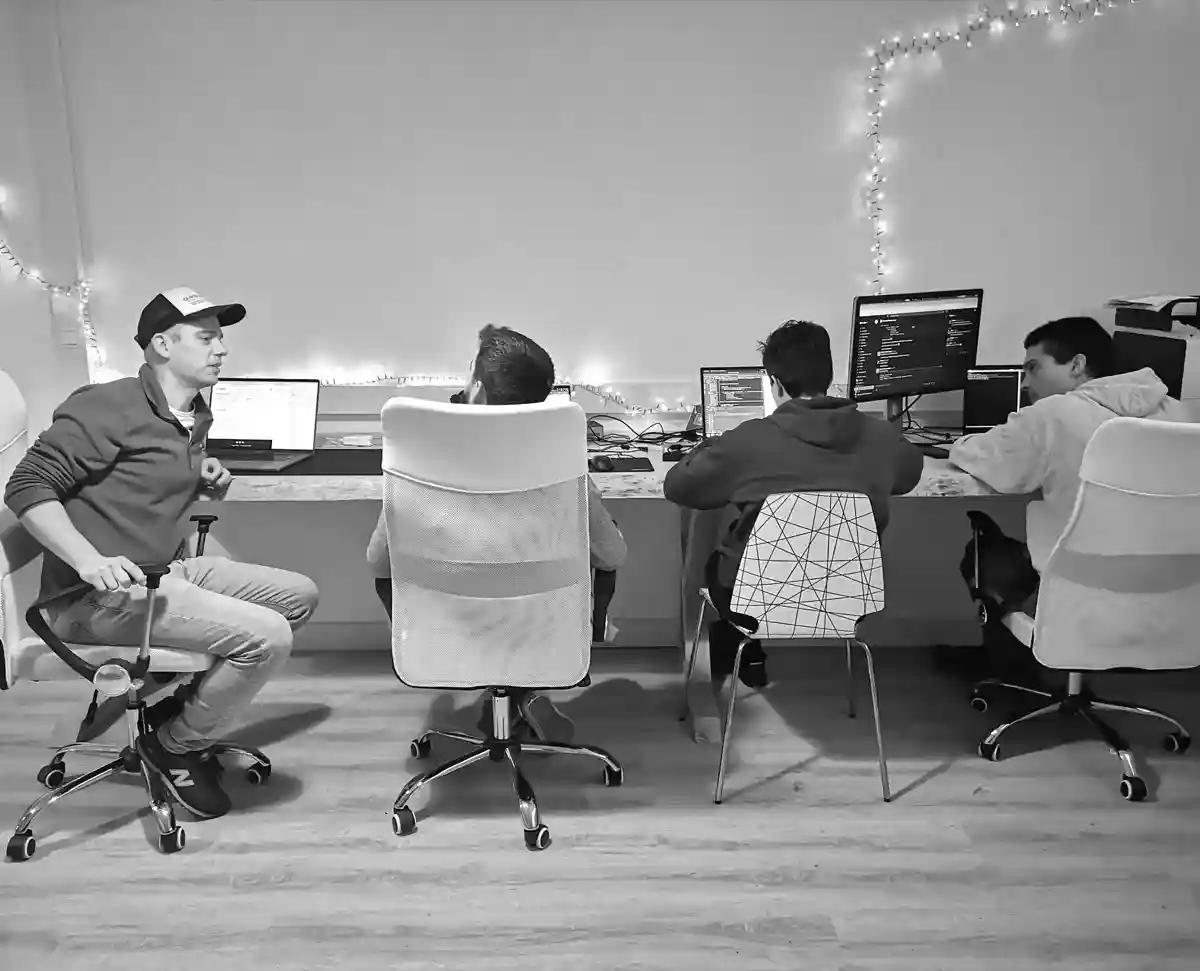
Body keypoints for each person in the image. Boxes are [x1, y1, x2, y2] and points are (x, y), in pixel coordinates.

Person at [4, 287, 319, 821]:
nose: (221, 349)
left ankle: (177, 710)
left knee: (299, 597)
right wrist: (87, 559)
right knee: (268, 636)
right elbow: (27, 484)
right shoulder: (106, 405)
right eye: (206, 338)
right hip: (93, 596)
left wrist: (202, 473)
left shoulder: (191, 413)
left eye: (221, 338)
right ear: (162, 345)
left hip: (165, 570)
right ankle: (175, 746)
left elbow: (140, 473)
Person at [366, 323, 626, 743]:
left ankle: (499, 691)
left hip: (450, 627)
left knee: (411, 579)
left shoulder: (425, 457)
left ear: (478, 392)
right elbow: (613, 555)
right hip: (538, 623)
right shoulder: (560, 464)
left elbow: (378, 561)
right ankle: (523, 692)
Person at [663, 319, 924, 685]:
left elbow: (678, 487)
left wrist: (710, 447)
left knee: (711, 539)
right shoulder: (881, 437)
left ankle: (721, 654)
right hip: (850, 596)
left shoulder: (748, 441)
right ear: (828, 375)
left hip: (754, 598)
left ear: (775, 383)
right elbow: (909, 475)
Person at [949, 316, 1191, 639]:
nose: (1024, 383)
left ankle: (1011, 661)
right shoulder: (1179, 413)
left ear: (1077, 365)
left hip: (1085, 590)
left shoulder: (1054, 413)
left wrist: (960, 441)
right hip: (1177, 600)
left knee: (983, 556)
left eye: (1033, 368)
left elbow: (982, 459)